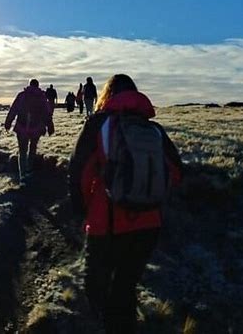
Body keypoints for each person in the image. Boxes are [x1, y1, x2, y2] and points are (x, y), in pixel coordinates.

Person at [69, 74, 182, 334]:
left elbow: (80, 175)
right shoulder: (153, 129)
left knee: (97, 286)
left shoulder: (99, 124)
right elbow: (176, 173)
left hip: (106, 225)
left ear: (108, 94)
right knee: (125, 284)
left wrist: (83, 211)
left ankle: (109, 324)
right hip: (149, 224)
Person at [5, 79, 54, 183]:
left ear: (29, 85)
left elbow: (14, 109)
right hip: (36, 128)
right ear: (38, 85)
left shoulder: (22, 95)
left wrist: (8, 122)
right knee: (32, 148)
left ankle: (22, 173)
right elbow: (47, 113)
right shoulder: (41, 97)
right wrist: (50, 126)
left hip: (21, 127)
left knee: (22, 151)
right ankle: (29, 169)